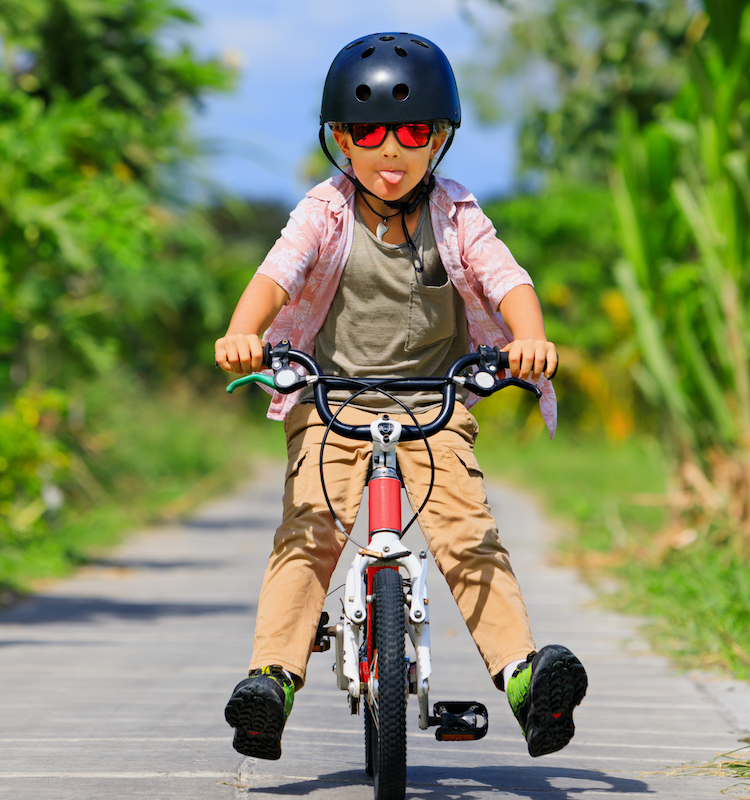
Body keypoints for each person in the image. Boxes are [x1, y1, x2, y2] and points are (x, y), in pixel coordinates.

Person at [214, 32, 587, 761]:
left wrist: (530, 336)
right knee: (309, 531)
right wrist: (242, 330)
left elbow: (505, 276)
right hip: (331, 403)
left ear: (440, 138)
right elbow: (278, 272)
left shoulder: (455, 212)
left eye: (412, 131)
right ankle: (272, 684)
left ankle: (523, 682)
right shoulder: (324, 211)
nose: (390, 150)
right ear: (340, 141)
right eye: (368, 132)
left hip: (433, 405)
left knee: (465, 531)